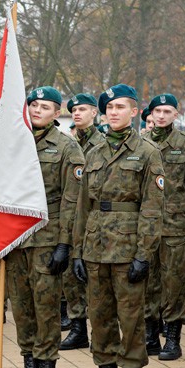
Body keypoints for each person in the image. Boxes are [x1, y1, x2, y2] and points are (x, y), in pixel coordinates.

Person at [72, 84, 164, 368]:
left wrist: (144, 253)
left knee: (131, 319)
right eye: (109, 107)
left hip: (127, 250)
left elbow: (153, 209)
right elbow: (83, 207)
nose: (113, 112)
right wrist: (77, 252)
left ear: (135, 112)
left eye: (120, 107)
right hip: (95, 249)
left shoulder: (147, 152)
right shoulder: (94, 154)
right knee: (101, 318)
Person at [5, 87, 84, 368]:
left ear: (57, 112)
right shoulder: (13, 145)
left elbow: (71, 202)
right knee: (22, 311)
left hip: (47, 240)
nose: (37, 110)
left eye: (45, 107)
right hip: (15, 240)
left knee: (45, 312)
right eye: (33, 105)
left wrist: (65, 244)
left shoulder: (67, 148)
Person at [143, 94, 185, 360]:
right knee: (148, 281)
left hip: (176, 225)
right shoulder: (141, 142)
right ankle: (150, 336)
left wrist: (182, 212)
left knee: (175, 283)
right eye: (158, 111)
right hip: (147, 225)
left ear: (176, 115)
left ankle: (173, 340)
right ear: (151, 113)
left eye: (168, 111)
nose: (162, 116)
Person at [60, 94, 104, 351]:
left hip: (94, 217)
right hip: (70, 216)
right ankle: (77, 329)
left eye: (82, 109)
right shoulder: (68, 144)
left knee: (95, 276)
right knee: (70, 275)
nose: (77, 113)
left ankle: (100, 330)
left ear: (94, 114)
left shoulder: (103, 143)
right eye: (74, 110)